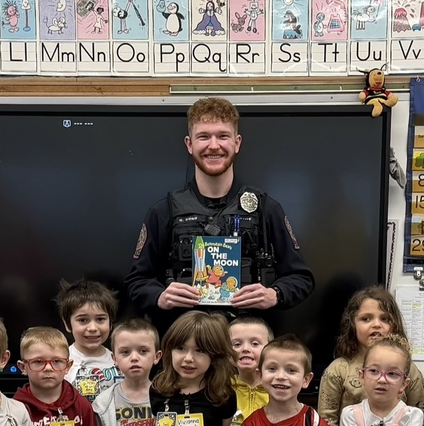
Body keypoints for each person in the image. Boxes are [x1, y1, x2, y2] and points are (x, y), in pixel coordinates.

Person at [125, 96, 314, 334]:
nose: (214, 146)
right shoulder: (164, 212)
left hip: (247, 349)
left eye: (223, 136)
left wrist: (274, 294)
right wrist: (160, 296)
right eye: (204, 136)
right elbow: (136, 282)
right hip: (188, 349)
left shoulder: (265, 209)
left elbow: (301, 278)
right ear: (189, 144)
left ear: (237, 143)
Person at [318, 286, 424, 426]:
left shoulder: (409, 371)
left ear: (395, 325)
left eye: (385, 319)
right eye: (366, 319)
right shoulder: (338, 370)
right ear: (352, 324)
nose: (376, 325)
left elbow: (420, 418)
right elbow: (327, 420)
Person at [56, 279, 122, 404]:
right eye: (83, 320)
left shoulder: (120, 360)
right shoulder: (59, 362)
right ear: (67, 323)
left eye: (100, 319)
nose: (92, 328)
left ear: (110, 322)